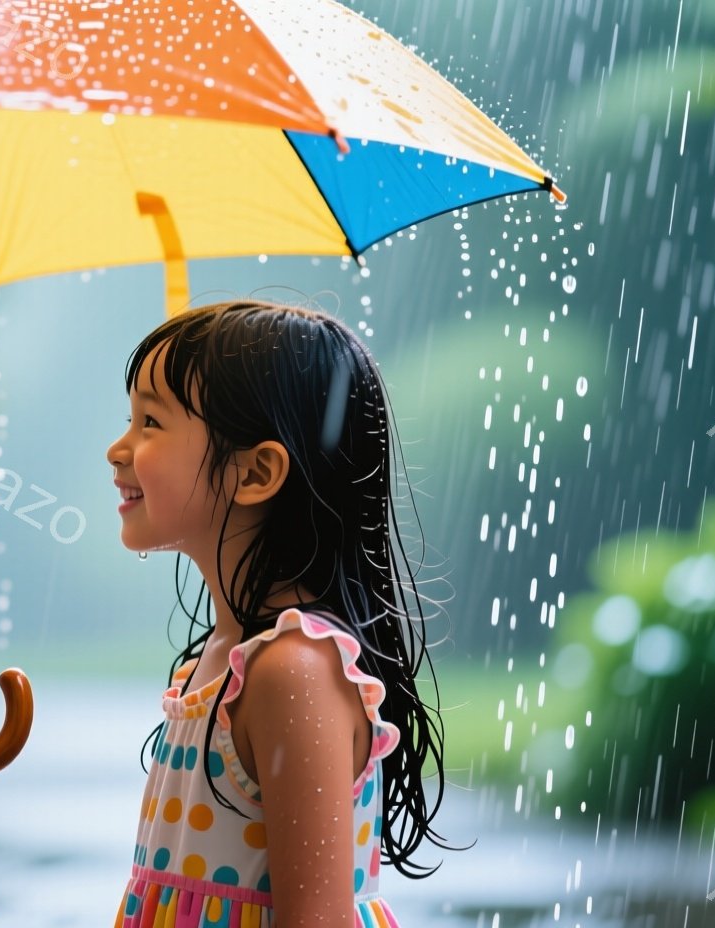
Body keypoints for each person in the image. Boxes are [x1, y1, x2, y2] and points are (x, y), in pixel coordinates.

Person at [107, 300, 462, 927]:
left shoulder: (293, 671)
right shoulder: (220, 660)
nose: (118, 449)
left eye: (150, 423)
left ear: (256, 472)